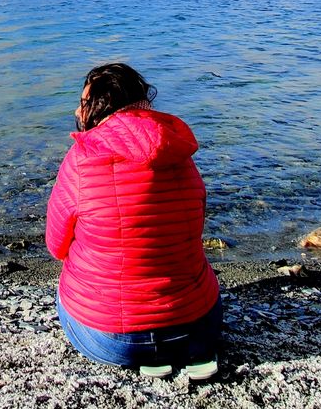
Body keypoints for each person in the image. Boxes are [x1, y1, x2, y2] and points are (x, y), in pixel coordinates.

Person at [45, 63, 222, 380]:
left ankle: (143, 349)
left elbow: (56, 245)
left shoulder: (81, 158)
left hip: (115, 338)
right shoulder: (178, 151)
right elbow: (195, 226)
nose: (76, 110)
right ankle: (179, 350)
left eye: (82, 104)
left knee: (68, 282)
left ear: (95, 110)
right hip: (198, 328)